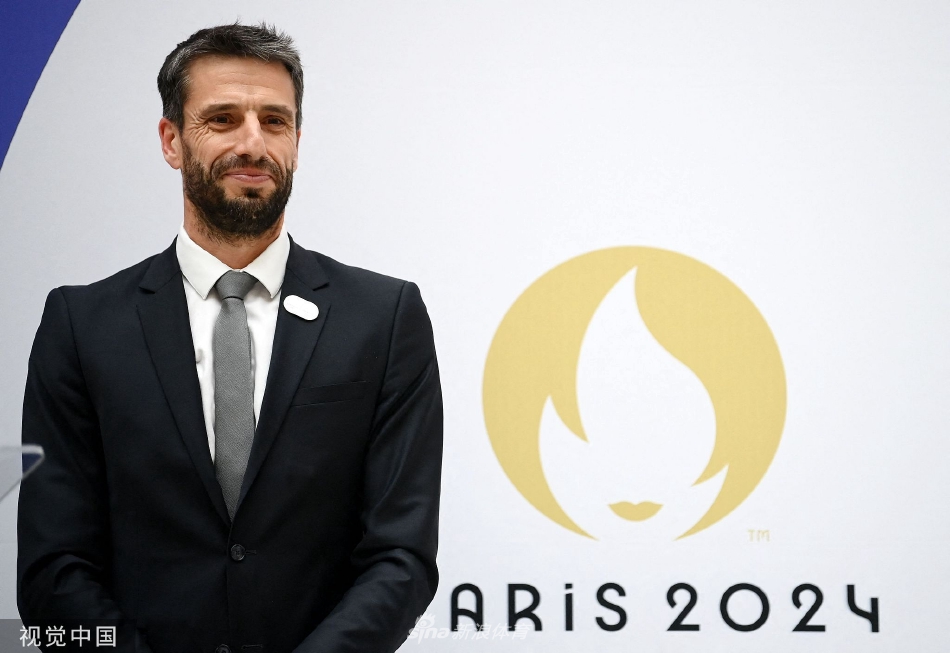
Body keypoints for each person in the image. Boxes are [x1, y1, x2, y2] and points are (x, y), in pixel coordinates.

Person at [17, 23, 442, 653]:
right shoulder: (83, 326)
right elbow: (52, 567)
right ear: (171, 140)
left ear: (297, 141)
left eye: (274, 121)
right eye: (222, 119)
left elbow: (401, 556)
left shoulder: (382, 319)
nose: (253, 143)